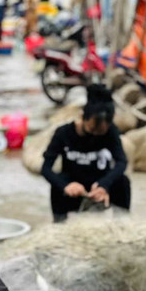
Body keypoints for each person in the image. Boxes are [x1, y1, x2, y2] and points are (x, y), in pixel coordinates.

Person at [41, 85, 131, 221]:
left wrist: (104, 185)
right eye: (92, 130)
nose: (95, 135)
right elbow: (46, 168)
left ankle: (122, 226)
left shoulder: (111, 133)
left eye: (101, 132)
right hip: (74, 189)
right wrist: (66, 186)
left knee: (123, 182)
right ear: (83, 117)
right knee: (56, 186)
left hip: (99, 189)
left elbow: (121, 162)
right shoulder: (63, 133)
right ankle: (59, 224)